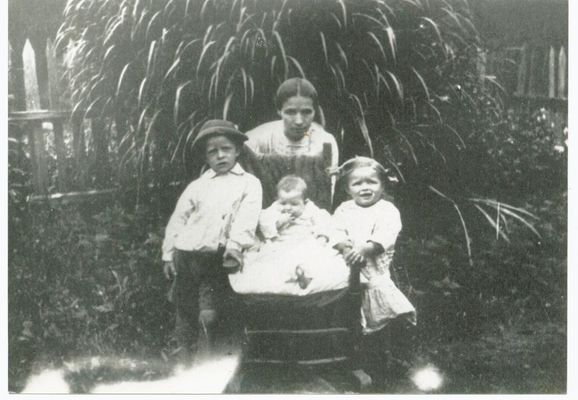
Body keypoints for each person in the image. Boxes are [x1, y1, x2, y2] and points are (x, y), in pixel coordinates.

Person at [161, 119, 262, 363]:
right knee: (184, 310)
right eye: (212, 151)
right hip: (186, 255)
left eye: (225, 149)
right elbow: (179, 218)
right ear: (206, 157)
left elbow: (246, 219)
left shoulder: (248, 183)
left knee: (209, 313)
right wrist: (168, 253)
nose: (220, 156)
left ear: (237, 150)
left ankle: (204, 360)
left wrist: (235, 247)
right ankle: (181, 356)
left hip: (216, 258)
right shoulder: (198, 186)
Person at [332, 156, 416, 334]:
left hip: (373, 271)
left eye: (371, 182)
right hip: (346, 267)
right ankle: (348, 337)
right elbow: (335, 231)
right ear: (348, 188)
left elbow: (385, 237)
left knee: (378, 311)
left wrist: (364, 249)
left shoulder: (387, 210)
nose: (365, 188)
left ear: (383, 185)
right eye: (357, 184)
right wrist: (345, 248)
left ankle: (380, 341)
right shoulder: (344, 209)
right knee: (345, 309)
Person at [229, 175, 350, 296]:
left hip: (306, 243)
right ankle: (292, 276)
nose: (287, 208)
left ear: (305, 201)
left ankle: (304, 275)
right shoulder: (273, 210)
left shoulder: (311, 209)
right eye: (283, 203)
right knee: (273, 263)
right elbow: (264, 224)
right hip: (281, 244)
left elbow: (324, 222)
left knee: (318, 257)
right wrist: (279, 223)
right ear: (277, 199)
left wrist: (322, 237)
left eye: (294, 204)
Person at [245, 77, 339, 169]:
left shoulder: (325, 142)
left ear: (315, 111)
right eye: (291, 112)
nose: (299, 121)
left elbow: (328, 182)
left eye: (306, 112)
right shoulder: (257, 138)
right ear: (279, 110)